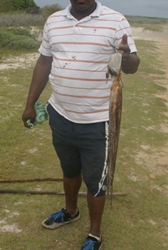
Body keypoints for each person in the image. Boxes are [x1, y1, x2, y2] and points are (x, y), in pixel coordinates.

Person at [22, 1, 140, 249]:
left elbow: (132, 67)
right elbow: (44, 61)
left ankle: (95, 234)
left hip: (97, 120)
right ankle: (70, 210)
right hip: (60, 114)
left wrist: (126, 56)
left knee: (96, 180)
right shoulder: (54, 20)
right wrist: (30, 103)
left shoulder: (115, 20)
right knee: (70, 169)